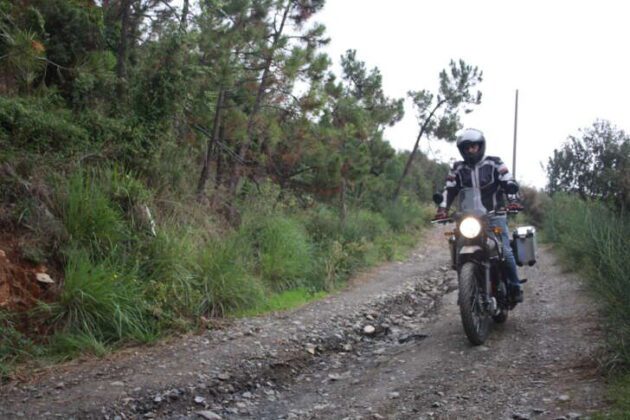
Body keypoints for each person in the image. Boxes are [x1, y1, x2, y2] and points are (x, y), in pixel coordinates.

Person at [433, 128, 524, 303]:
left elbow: (508, 180)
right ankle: (466, 292)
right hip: (468, 217)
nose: (471, 150)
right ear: (462, 150)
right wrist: (442, 208)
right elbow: (449, 189)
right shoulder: (458, 168)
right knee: (459, 250)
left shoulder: (495, 163)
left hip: (493, 215)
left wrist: (513, 198)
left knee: (504, 250)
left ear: (480, 146)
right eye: (467, 147)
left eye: (474, 146)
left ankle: (515, 286)